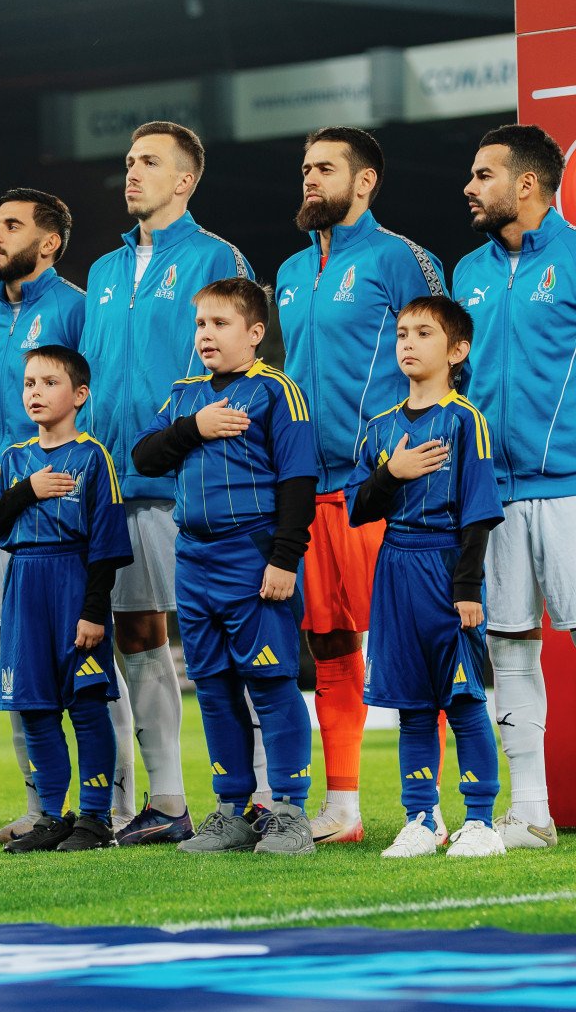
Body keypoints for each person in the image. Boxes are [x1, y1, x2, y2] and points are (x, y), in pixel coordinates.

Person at [80, 121, 258, 845]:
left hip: (195, 479)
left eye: (149, 162)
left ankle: (265, 799)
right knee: (136, 638)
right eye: (128, 161)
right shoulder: (101, 271)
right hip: (115, 483)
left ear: (185, 180)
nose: (132, 173)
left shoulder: (217, 257)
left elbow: (243, 365)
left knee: (236, 640)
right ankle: (167, 800)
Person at [275, 126, 450, 845]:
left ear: (366, 180)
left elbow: (445, 361)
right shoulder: (288, 270)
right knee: (331, 647)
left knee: (414, 643)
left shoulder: (401, 258)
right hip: (313, 489)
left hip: (389, 485)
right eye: (305, 168)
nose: (310, 179)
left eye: (325, 168)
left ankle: (428, 807)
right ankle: (343, 807)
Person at [0, 187, 135, 844]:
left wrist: (65, 482)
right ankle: (44, 809)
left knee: (96, 681)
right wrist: (13, 488)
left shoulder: (75, 307)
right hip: (12, 508)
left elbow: (92, 390)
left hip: (71, 513)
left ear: (49, 242)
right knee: (23, 679)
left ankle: (110, 809)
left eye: (10, 224)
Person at [133, 278, 318, 854]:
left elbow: (298, 481)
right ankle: (231, 812)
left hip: (253, 555)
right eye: (201, 324)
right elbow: (144, 455)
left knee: (270, 682)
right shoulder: (186, 396)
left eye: (220, 324)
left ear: (255, 333)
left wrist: (284, 559)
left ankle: (288, 810)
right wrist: (195, 429)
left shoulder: (276, 393)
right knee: (212, 687)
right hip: (194, 556)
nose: (206, 335)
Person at [345, 297, 505, 858]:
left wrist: (467, 589)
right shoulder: (381, 428)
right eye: (402, 333)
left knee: (461, 699)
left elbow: (480, 512)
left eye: (424, 333)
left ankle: (481, 821)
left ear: (457, 350)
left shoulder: (466, 421)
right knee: (411, 703)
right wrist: (394, 471)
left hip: (444, 565)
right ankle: (422, 817)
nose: (408, 343)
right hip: (395, 567)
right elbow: (358, 508)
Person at [454, 123, 576, 849]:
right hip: (492, 495)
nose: (469, 188)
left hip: (570, 486)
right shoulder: (465, 270)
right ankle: (531, 812)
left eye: (482, 175)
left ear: (525, 184)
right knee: (509, 649)